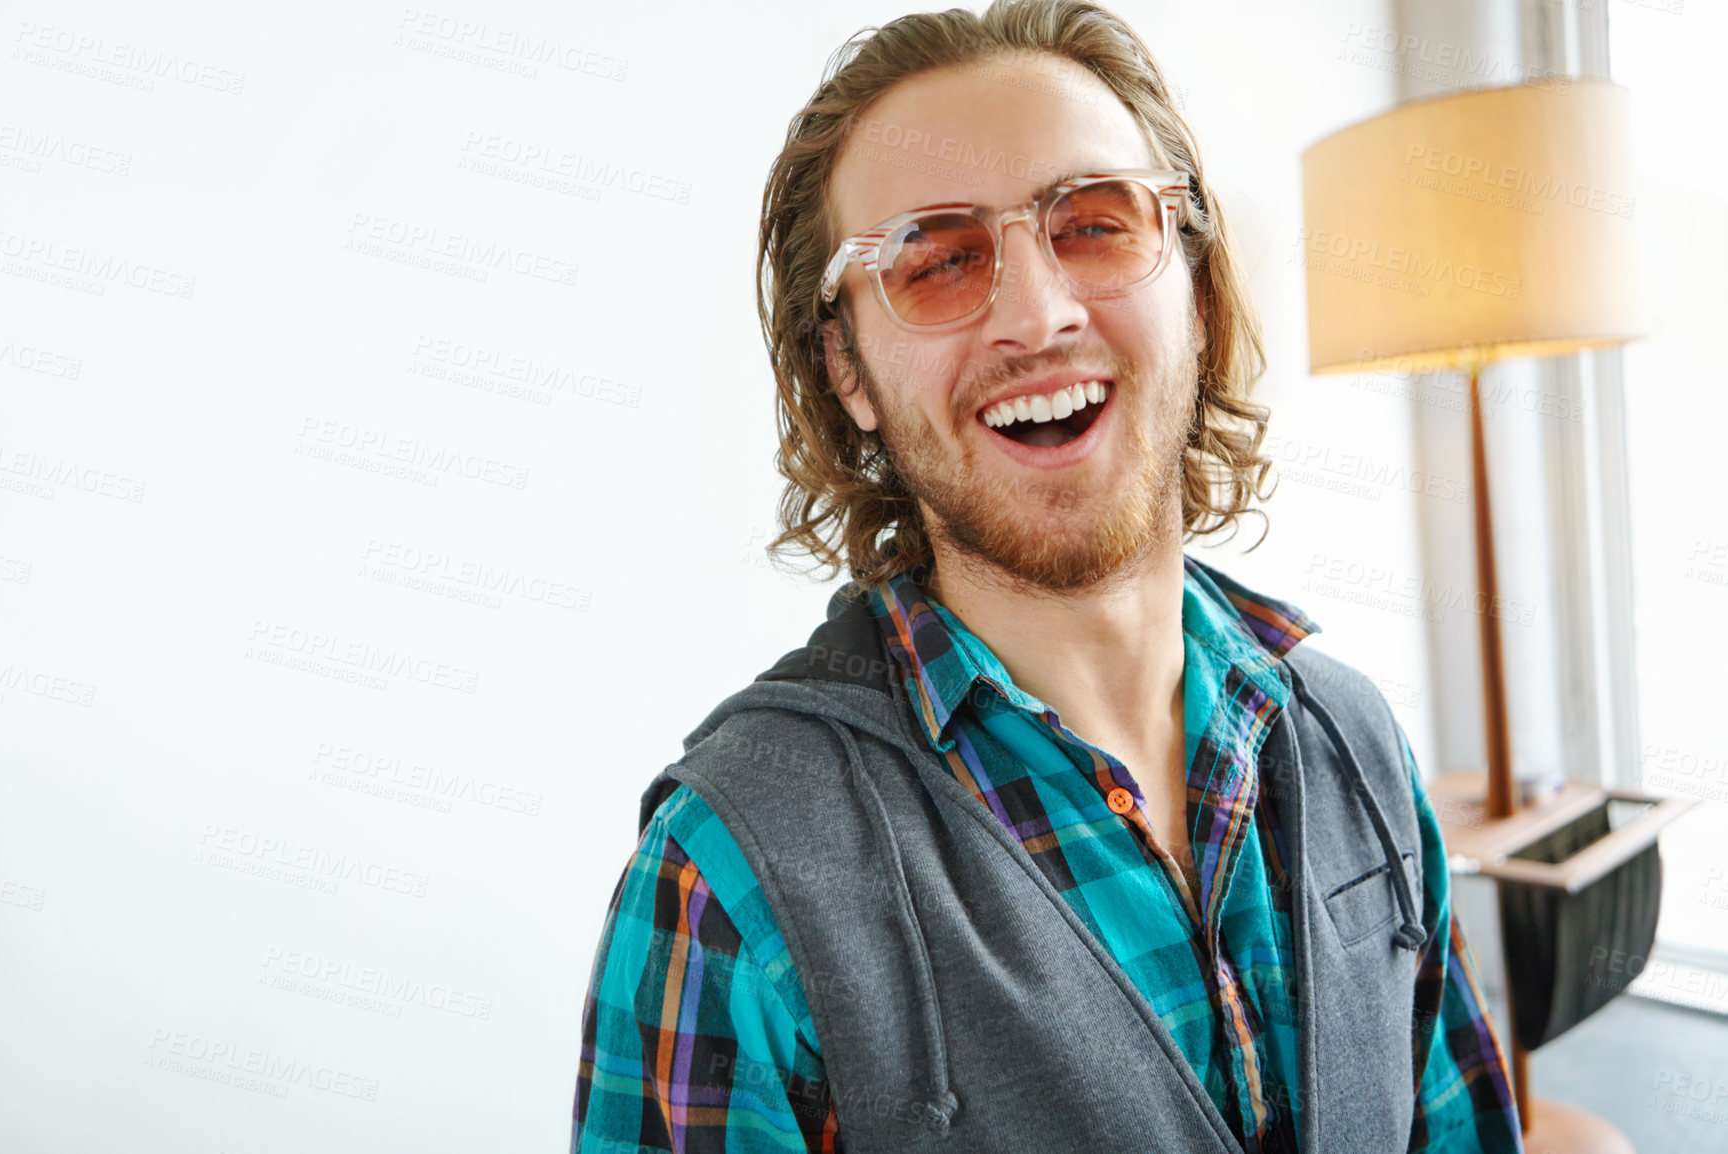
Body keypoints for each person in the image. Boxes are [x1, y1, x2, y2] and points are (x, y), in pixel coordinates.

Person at [572, 2, 1521, 1151]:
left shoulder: (1353, 740)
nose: (1037, 312)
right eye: (937, 259)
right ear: (850, 372)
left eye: (1095, 223)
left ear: (1199, 294)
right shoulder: (727, 881)